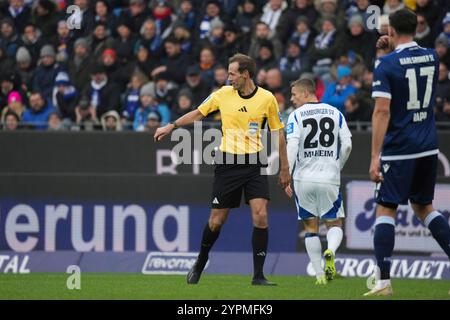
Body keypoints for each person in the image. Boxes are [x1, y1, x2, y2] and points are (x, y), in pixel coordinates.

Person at [154, 53, 291, 286]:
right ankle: (200, 261)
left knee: (261, 215)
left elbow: (278, 132)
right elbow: (198, 113)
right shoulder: (222, 94)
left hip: (255, 162)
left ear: (245, 74)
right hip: (227, 162)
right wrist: (172, 125)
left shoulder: (267, 98)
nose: (228, 78)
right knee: (217, 220)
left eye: (232, 74)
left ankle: (258, 275)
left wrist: (284, 167)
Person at [366, 8, 450, 296]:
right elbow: (410, 64)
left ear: (389, 31)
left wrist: (375, 156)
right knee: (423, 206)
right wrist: (391, 50)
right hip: (428, 145)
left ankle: (383, 281)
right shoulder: (433, 56)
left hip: (400, 147)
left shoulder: (385, 64)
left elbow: (381, 110)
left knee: (386, 207)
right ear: (416, 28)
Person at [284, 78, 352, 285]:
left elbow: (292, 145)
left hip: (303, 178)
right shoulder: (336, 113)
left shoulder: (295, 116)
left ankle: (319, 274)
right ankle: (330, 251)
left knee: (310, 226)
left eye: (294, 95)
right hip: (329, 177)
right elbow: (347, 145)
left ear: (306, 94)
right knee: (334, 223)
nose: (292, 99)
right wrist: (336, 167)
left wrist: (287, 173)